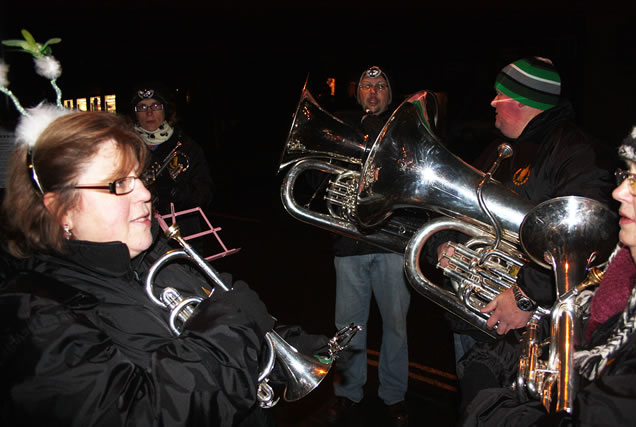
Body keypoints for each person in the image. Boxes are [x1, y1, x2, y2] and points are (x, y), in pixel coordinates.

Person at [0, 107, 327, 426]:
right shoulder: (35, 316)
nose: (144, 193)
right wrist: (232, 324)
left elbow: (221, 330)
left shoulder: (154, 253)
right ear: (61, 211)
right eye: (118, 184)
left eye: (138, 177)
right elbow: (142, 413)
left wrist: (285, 346)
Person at [439, 57, 615, 372]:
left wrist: (525, 296)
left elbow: (581, 236)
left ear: (521, 102)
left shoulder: (577, 153)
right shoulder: (498, 149)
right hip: (476, 313)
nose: (492, 102)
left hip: (531, 327)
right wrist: (448, 242)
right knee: (474, 405)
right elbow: (463, 206)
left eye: (499, 95)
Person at [459, 123, 636, 426]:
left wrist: (486, 403)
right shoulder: (615, 286)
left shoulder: (571, 148)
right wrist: (496, 359)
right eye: (627, 175)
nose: (618, 191)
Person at [325, 66, 411, 427]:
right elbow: (322, 177)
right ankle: (347, 392)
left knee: (395, 326)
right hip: (349, 244)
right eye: (366, 86)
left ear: (390, 95)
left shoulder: (406, 131)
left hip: (392, 242)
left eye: (380, 86)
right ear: (357, 93)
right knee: (348, 326)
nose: (373, 93)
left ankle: (393, 395)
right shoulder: (341, 128)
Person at [131, 87, 213, 228]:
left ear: (166, 110)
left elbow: (205, 195)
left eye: (156, 106)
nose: (149, 113)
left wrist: (173, 190)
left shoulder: (187, 147)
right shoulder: (126, 147)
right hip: (139, 231)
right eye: (142, 107)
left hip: (182, 232)